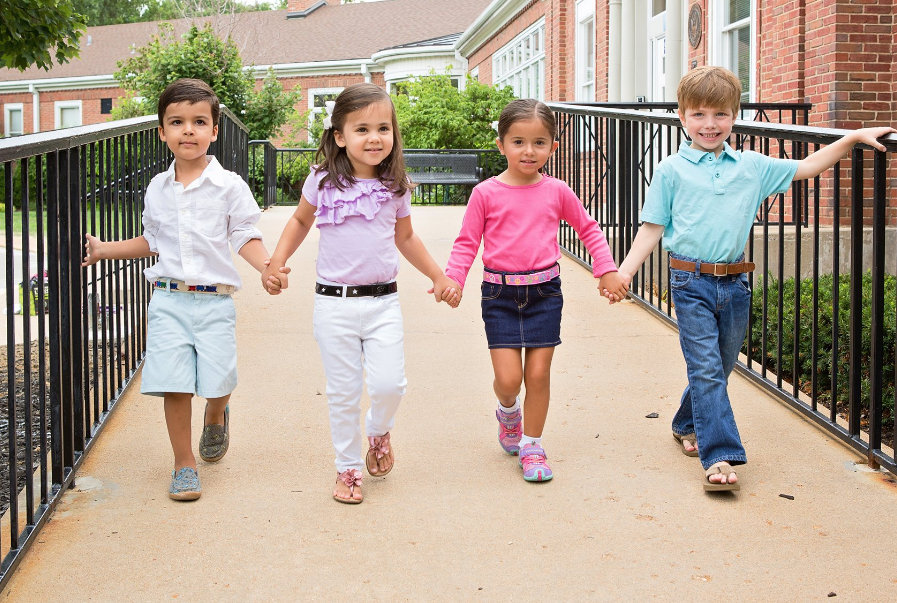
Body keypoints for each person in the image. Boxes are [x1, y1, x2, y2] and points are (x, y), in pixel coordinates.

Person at [609, 66, 896, 492]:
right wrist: (625, 271)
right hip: (690, 282)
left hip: (736, 284)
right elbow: (652, 226)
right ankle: (719, 455)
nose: (710, 125)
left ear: (734, 115)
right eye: (700, 115)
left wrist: (852, 137)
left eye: (720, 115)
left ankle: (687, 422)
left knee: (720, 367)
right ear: (683, 117)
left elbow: (808, 166)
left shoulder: (752, 167)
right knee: (706, 368)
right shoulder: (671, 170)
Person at [261, 83, 460, 504]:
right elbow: (299, 221)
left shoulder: (396, 185)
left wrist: (439, 277)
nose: (374, 138)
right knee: (343, 392)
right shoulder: (322, 181)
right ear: (339, 136)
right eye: (362, 129)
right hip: (333, 305)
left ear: (393, 134)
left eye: (383, 128)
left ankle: (379, 430)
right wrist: (275, 262)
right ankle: (348, 468)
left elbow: (406, 238)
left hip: (383, 302)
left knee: (391, 385)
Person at [82, 78, 278, 501]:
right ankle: (184, 464)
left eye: (198, 121)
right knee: (175, 383)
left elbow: (244, 234)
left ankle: (216, 413)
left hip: (214, 301)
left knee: (219, 379)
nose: (188, 130)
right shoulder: (157, 187)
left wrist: (267, 267)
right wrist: (104, 250)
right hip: (168, 299)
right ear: (162, 132)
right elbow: (152, 240)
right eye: (177, 122)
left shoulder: (230, 187)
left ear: (214, 130)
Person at [444, 98, 628, 483]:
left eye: (539, 142)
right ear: (501, 145)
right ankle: (508, 411)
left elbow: (589, 229)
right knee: (509, 381)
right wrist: (454, 279)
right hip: (500, 296)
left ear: (553, 147)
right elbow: (466, 242)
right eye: (518, 142)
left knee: (539, 373)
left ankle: (532, 444)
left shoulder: (557, 190)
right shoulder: (485, 194)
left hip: (545, 293)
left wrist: (606, 270)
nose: (529, 151)